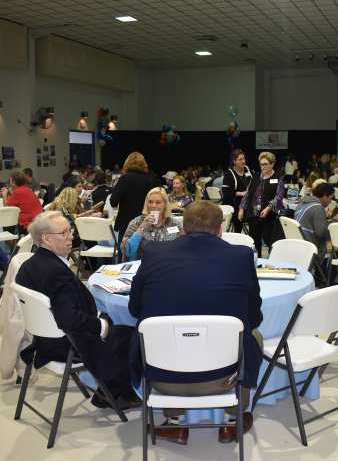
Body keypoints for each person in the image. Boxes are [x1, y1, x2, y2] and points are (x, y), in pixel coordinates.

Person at [129, 201, 263, 445]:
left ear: (182, 228)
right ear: (220, 229)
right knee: (253, 336)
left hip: (162, 376)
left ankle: (174, 422)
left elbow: (134, 309)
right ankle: (232, 421)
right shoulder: (241, 256)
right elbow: (254, 318)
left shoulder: (153, 253)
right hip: (224, 376)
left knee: (148, 333)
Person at [16, 211, 139, 408]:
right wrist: (103, 326)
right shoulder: (56, 273)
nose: (71, 236)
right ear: (46, 239)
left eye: (70, 230)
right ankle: (117, 392)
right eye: (64, 232)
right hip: (68, 343)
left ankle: (109, 389)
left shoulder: (29, 265)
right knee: (132, 333)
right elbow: (69, 318)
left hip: (42, 339)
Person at [110, 152, 160, 252]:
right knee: (149, 254)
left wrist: (115, 187)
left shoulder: (125, 179)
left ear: (127, 164)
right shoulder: (153, 177)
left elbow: (113, 202)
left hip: (127, 224)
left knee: (125, 255)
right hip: (150, 221)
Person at [239, 151, 285, 255]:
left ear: (272, 164)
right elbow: (247, 194)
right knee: (254, 243)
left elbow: (278, 196)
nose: (262, 166)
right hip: (253, 215)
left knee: (270, 242)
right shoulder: (255, 176)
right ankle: (256, 264)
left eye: (265, 164)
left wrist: (268, 208)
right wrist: (242, 208)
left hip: (269, 216)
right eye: (261, 164)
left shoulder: (278, 178)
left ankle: (271, 264)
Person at [121, 187, 182, 260]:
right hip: (142, 266)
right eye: (150, 202)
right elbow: (126, 251)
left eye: (158, 202)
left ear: (165, 204)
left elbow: (183, 248)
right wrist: (142, 227)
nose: (153, 205)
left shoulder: (174, 223)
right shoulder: (137, 222)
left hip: (168, 266)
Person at [294, 182, 335, 260]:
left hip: (299, 244)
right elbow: (321, 233)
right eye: (330, 198)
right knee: (334, 249)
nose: (330, 201)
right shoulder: (318, 208)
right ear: (325, 196)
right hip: (311, 248)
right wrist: (333, 223)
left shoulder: (301, 204)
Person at [222, 149, 252, 233]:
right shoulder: (229, 174)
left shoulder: (246, 169)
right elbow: (226, 193)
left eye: (244, 159)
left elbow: (252, 182)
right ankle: (237, 235)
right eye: (240, 159)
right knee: (240, 219)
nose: (243, 161)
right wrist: (242, 193)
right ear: (234, 161)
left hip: (246, 201)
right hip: (233, 204)